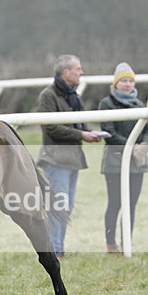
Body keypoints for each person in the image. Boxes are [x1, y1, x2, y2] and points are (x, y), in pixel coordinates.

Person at [36, 54, 102, 258]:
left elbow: (76, 123)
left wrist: (88, 132)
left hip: (72, 158)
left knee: (67, 207)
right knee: (59, 206)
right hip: (56, 159)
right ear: (66, 72)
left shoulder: (73, 96)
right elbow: (51, 127)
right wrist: (82, 134)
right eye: (78, 69)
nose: (81, 72)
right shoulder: (48, 95)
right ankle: (55, 250)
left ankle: (59, 248)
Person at [99, 62, 148, 253]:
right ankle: (110, 244)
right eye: (124, 81)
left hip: (137, 163)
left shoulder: (139, 105)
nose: (128, 84)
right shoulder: (106, 104)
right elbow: (109, 132)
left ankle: (126, 244)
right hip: (114, 162)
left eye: (130, 81)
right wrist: (131, 147)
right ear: (116, 84)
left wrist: (142, 147)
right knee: (115, 203)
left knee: (131, 205)